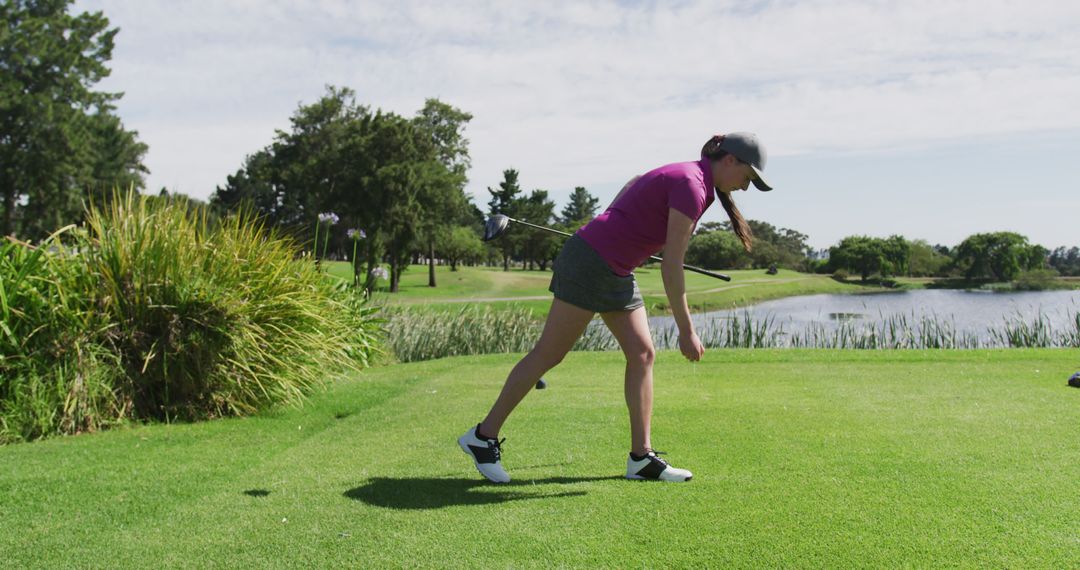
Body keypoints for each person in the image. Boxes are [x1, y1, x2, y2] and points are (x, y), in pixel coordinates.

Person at [459, 132, 773, 483]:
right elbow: (672, 266)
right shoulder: (693, 185)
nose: (744, 188)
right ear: (730, 160)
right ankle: (482, 437)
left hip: (615, 267)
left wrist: (621, 220)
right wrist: (686, 330)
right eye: (747, 178)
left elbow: (637, 181)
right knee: (548, 353)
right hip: (591, 263)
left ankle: (641, 458)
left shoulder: (692, 178)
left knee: (642, 354)